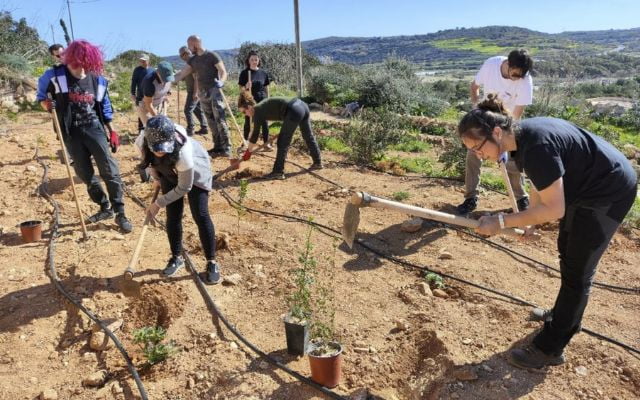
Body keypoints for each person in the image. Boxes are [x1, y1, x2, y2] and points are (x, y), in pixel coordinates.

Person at [458, 95, 637, 370]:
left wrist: (502, 221)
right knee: (567, 249)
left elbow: (554, 209)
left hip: (609, 191)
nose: (478, 155)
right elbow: (544, 188)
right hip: (585, 187)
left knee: (579, 270)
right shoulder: (521, 138)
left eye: (478, 147)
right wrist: (531, 220)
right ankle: (564, 316)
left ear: (496, 132)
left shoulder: (537, 146)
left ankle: (550, 349)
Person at [36, 39, 133, 233]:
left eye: (80, 61)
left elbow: (104, 107)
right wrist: (47, 104)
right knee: (85, 173)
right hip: (69, 132)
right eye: (71, 60)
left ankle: (120, 211)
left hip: (94, 129)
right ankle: (104, 206)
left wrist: (111, 130)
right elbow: (40, 98)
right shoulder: (53, 76)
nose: (74, 65)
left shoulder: (97, 80)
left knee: (109, 170)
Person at [140, 115, 221, 284]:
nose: (160, 152)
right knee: (173, 215)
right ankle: (176, 257)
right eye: (157, 149)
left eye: (164, 148)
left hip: (196, 170)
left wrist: (158, 203)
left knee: (200, 214)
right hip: (168, 172)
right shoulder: (142, 141)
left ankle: (211, 262)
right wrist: (156, 179)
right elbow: (149, 163)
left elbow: (185, 187)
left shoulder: (184, 154)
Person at [457, 49, 534, 215]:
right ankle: (471, 198)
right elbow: (474, 86)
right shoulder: (491, 64)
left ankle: (521, 199)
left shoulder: (525, 81)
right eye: (515, 74)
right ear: (508, 64)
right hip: (486, 120)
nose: (518, 78)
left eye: (522, 76)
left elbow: (517, 113)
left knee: (512, 160)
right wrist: (476, 112)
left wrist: (504, 140)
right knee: (473, 153)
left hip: (507, 122)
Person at [238, 92, 322, 180]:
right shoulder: (260, 108)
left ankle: (278, 172)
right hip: (302, 106)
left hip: (293, 110)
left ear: (249, 107)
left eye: (244, 112)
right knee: (308, 135)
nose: (245, 115)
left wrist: (248, 151)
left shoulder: (257, 111)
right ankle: (317, 162)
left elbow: (255, 134)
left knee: (283, 141)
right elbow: (256, 131)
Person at [173, 35, 231, 157]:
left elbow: (223, 71)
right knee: (210, 121)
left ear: (195, 43)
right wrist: (169, 80)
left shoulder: (211, 55)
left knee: (220, 119)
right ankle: (218, 146)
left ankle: (226, 148)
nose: (189, 48)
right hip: (203, 94)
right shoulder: (193, 60)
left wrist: (222, 81)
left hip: (215, 91)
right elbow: (183, 73)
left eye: (189, 45)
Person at [238, 50, 271, 147]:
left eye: (256, 59)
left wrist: (268, 99)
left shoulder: (263, 73)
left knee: (264, 122)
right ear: (248, 61)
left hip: (262, 100)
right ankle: (245, 141)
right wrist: (246, 86)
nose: (254, 61)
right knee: (248, 120)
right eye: (252, 59)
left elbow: (266, 87)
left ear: (258, 60)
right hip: (250, 100)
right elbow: (240, 88)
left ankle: (266, 143)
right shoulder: (245, 73)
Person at [178, 46, 208, 136]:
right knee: (197, 109)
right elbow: (187, 76)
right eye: (180, 56)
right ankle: (204, 127)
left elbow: (196, 79)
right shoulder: (189, 63)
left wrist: (195, 93)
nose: (182, 57)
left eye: (182, 55)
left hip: (194, 91)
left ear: (187, 53)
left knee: (188, 110)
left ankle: (190, 129)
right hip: (194, 91)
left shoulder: (193, 63)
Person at [137, 61, 174, 126]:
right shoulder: (149, 82)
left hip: (158, 103)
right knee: (151, 128)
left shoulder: (169, 76)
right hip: (145, 106)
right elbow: (148, 104)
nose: (166, 81)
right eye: (164, 78)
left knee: (162, 126)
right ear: (157, 72)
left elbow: (165, 93)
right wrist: (158, 119)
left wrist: (164, 113)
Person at [131, 53, 153, 131]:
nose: (142, 62)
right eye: (140, 61)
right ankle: (141, 131)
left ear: (148, 61)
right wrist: (132, 93)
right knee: (141, 112)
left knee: (149, 112)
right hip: (140, 95)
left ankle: (149, 129)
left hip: (150, 95)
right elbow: (133, 82)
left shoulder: (152, 70)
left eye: (144, 61)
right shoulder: (137, 70)